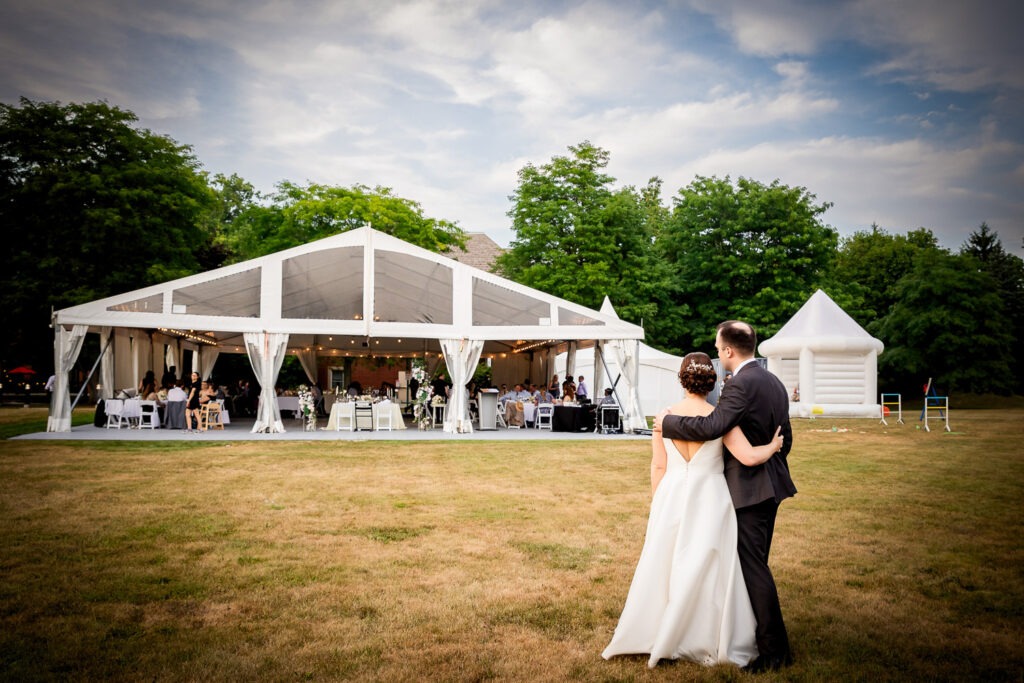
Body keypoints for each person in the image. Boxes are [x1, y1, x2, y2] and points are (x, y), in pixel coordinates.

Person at [603, 352, 784, 669]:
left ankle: (662, 636)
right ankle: (701, 634)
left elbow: (658, 465)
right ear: (711, 382)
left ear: (682, 380)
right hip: (710, 496)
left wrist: (658, 503)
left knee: (667, 565)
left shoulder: (664, 417)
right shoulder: (720, 418)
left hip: (671, 494)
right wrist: (772, 446)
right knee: (706, 565)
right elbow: (749, 457)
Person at [654, 321, 796, 673]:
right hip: (771, 485)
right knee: (754, 564)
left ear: (729, 350)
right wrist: (770, 456)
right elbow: (786, 439)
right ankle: (751, 632)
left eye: (719, 349)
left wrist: (666, 424)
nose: (718, 353)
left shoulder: (740, 385)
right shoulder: (774, 382)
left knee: (754, 568)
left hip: (749, 489)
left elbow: (713, 426)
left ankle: (774, 652)